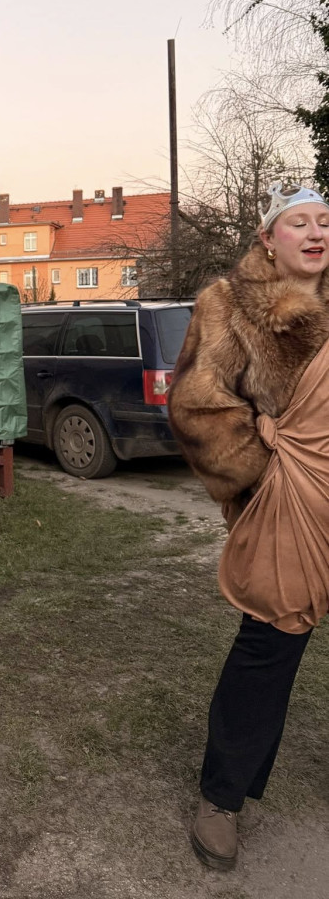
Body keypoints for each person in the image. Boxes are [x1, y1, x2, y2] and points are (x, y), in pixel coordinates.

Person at [168, 181, 329, 872]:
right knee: (267, 649)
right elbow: (194, 406)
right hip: (288, 503)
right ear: (268, 237)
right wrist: (264, 470)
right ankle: (221, 799)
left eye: (324, 221)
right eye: (299, 222)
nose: (315, 233)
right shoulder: (229, 305)